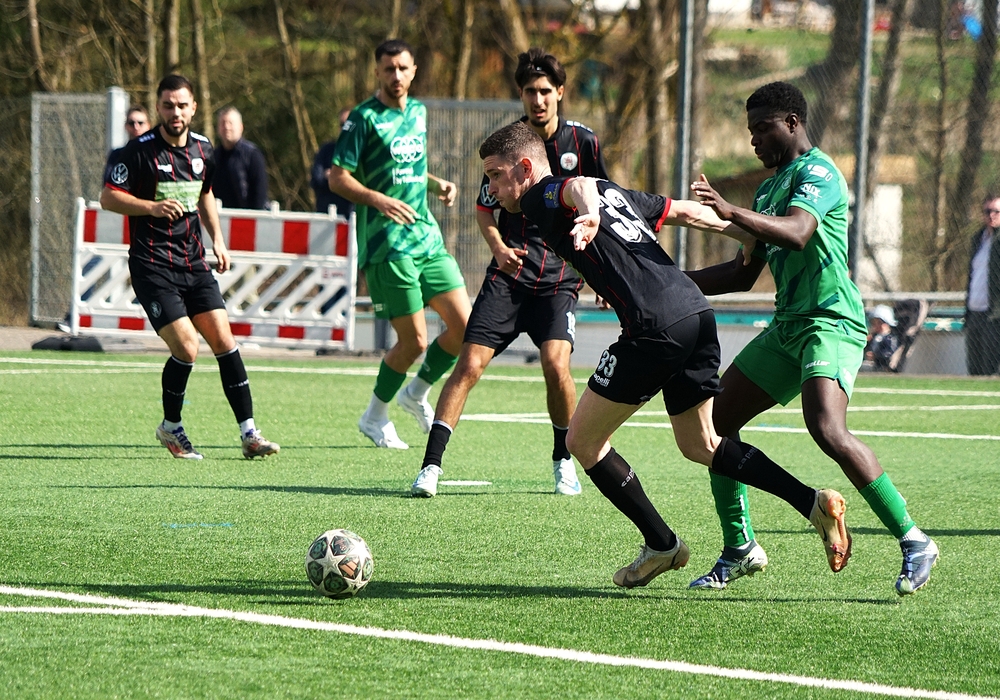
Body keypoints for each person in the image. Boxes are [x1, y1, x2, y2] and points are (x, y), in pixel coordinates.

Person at [474, 121, 852, 589]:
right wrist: (747, 237)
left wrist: (588, 214)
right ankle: (812, 503)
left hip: (653, 329)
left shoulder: (541, 195)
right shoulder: (616, 192)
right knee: (702, 445)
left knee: (581, 442)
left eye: (494, 175)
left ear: (525, 169)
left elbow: (577, 186)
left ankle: (661, 543)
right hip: (695, 314)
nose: (492, 189)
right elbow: (688, 213)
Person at [688, 81, 937, 596]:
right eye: (750, 130)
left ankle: (914, 540)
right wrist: (667, 282)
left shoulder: (819, 173)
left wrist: (730, 212)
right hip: (788, 327)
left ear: (792, 122)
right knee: (716, 425)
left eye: (763, 128)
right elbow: (741, 275)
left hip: (831, 321)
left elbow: (799, 232)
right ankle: (739, 547)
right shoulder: (767, 191)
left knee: (826, 428)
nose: (754, 139)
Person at [410, 48, 606, 499]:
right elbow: (485, 208)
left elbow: (599, 201)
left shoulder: (583, 143)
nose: (538, 100)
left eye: (545, 91)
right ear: (521, 95)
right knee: (469, 365)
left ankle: (562, 460)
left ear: (560, 93)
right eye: (529, 91)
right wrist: (498, 247)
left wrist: (600, 272)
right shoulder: (508, 144)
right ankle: (430, 467)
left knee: (556, 364)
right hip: (510, 277)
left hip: (559, 279)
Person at [100, 74, 279, 461]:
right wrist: (150, 207)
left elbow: (205, 193)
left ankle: (250, 434)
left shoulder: (203, 149)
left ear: (194, 108)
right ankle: (171, 427)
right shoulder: (138, 152)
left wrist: (218, 240)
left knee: (224, 341)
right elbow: (108, 197)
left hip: (194, 262)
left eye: (182, 105)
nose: (175, 112)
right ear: (158, 108)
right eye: (168, 105)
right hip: (152, 265)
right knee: (186, 346)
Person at [329, 39, 471, 450]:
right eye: (388, 68)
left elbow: (408, 169)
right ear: (377, 71)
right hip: (388, 244)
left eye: (403, 68)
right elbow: (337, 177)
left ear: (413, 71)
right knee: (415, 342)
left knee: (466, 328)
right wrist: (378, 200)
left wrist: (436, 184)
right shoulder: (363, 118)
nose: (396, 76)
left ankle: (416, 393)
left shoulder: (419, 112)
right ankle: (374, 416)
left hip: (426, 236)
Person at [965, 194, 1000, 375]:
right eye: (987, 211)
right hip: (974, 312)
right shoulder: (978, 239)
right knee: (974, 368)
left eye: (996, 211)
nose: (991, 215)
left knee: (990, 369)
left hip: (993, 316)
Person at [213, 106, 269, 210]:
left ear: (240, 127)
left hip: (248, 216)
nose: (226, 127)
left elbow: (259, 193)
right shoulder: (213, 156)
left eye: (230, 123)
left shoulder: (252, 155)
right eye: (223, 123)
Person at [311, 107, 356, 218]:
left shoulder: (363, 153)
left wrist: (333, 176)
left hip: (353, 218)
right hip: (325, 217)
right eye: (342, 125)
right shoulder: (326, 150)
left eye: (348, 125)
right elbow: (316, 179)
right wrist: (345, 178)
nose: (345, 129)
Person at [865, 305, 901, 371]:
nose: (876, 326)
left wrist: (876, 356)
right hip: (873, 364)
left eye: (879, 323)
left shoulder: (890, 338)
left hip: (885, 366)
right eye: (874, 323)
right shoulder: (875, 336)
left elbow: (889, 353)